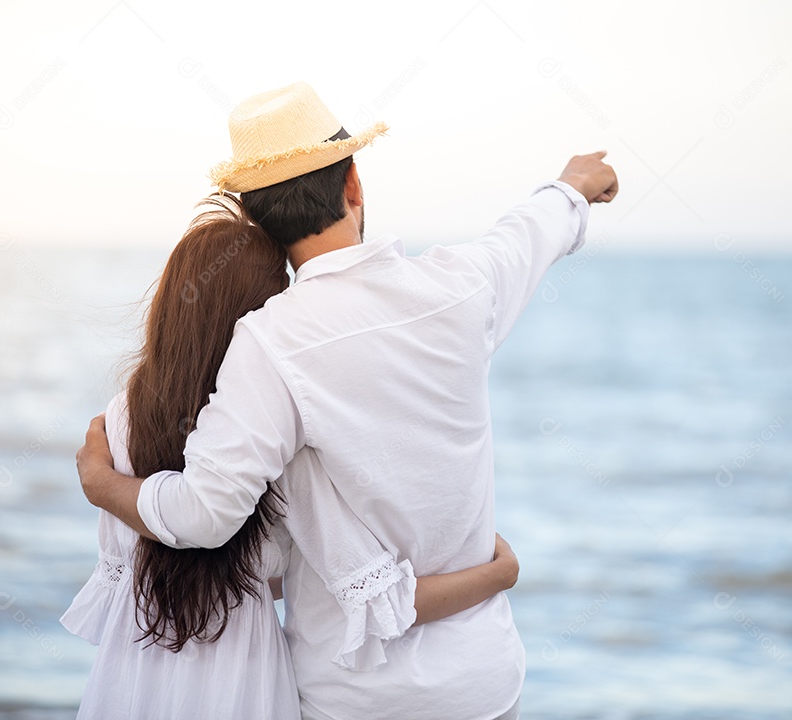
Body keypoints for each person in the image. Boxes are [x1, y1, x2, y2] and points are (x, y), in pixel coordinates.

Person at [77, 80, 618, 720]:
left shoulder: (269, 341)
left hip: (353, 697)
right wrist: (573, 185)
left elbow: (205, 513)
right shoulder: (462, 285)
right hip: (485, 683)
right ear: (353, 185)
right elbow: (530, 233)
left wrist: (101, 484)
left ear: (257, 221)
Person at [63, 196, 521, 719]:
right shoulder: (283, 446)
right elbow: (379, 601)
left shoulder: (121, 418)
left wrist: (100, 482)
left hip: (133, 671)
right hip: (240, 680)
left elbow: (134, 568)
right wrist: (498, 574)